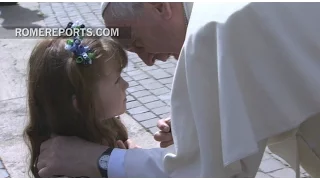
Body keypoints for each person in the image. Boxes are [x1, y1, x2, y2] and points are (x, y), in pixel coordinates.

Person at [36, 2, 320, 178]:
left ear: (159, 6)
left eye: (136, 42)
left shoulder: (209, 32)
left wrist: (95, 159)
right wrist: (209, 122)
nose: (147, 61)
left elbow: (204, 173)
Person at [23, 30, 141, 178]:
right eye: (117, 80)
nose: (126, 84)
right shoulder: (63, 167)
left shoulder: (106, 127)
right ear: (82, 103)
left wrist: (131, 159)